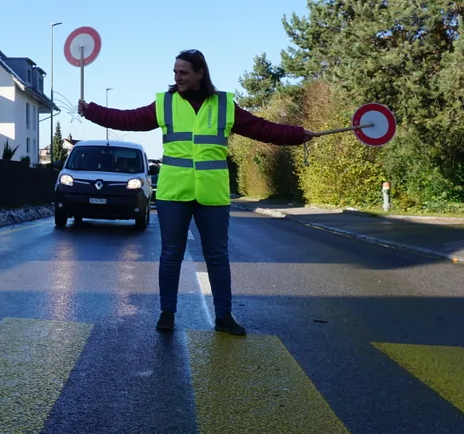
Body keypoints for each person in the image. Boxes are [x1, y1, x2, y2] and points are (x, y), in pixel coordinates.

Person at [78, 49, 313, 336]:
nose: (177, 78)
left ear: (201, 73)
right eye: (175, 72)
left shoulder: (225, 104)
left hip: (212, 194)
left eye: (184, 73)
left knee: (217, 255)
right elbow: (128, 119)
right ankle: (167, 314)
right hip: (174, 192)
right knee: (171, 254)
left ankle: (224, 317)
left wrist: (299, 134)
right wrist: (91, 111)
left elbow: (263, 129)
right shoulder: (165, 103)